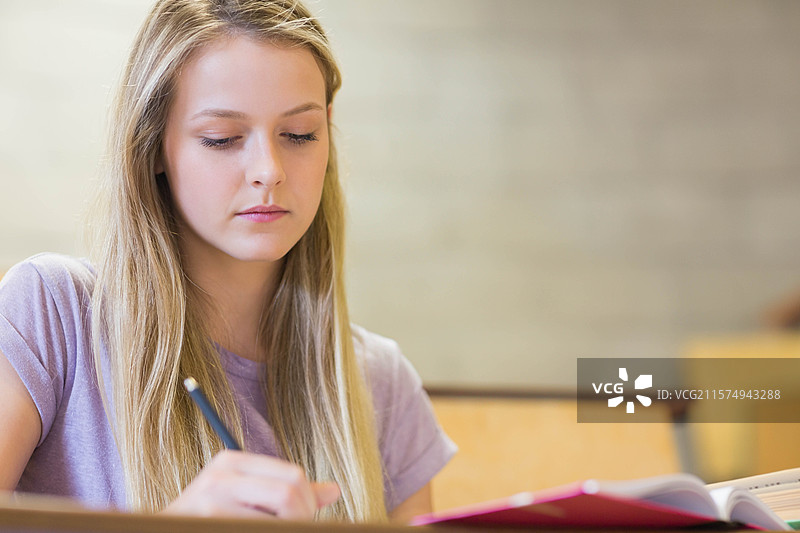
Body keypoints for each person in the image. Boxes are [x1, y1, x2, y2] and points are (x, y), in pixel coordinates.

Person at [0, 0, 456, 524]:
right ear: (152, 147)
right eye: (222, 139)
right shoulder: (50, 312)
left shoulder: (381, 382)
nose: (268, 170)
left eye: (300, 134)